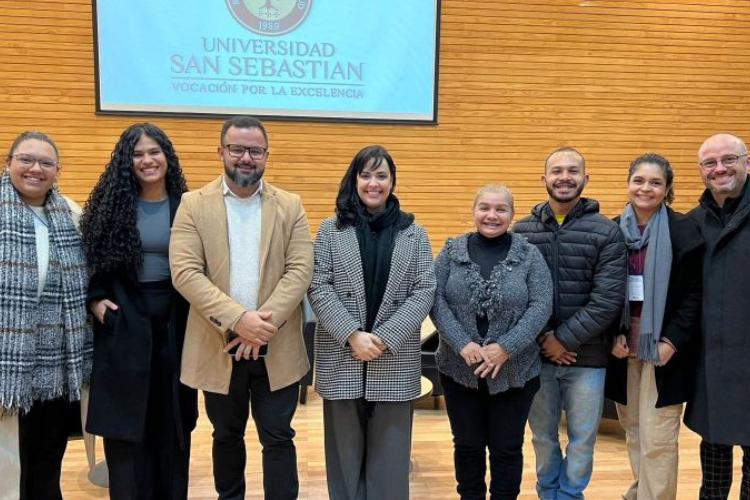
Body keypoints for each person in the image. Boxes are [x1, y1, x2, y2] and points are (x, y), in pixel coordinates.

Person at [170, 115, 313, 500]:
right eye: (237, 149)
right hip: (218, 344)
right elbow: (185, 272)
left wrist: (260, 327)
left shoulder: (290, 205)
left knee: (278, 436)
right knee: (226, 435)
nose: (246, 158)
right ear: (221, 151)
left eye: (255, 151)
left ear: (266, 155)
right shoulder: (192, 204)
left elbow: (301, 270)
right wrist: (239, 320)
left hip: (277, 344)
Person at [308, 145, 436, 500]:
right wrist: (352, 335)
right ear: (354, 180)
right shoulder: (330, 230)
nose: (373, 183)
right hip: (342, 355)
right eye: (365, 175)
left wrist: (382, 338)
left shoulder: (415, 233)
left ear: (392, 181)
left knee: (390, 463)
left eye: (381, 175)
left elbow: (424, 289)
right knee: (343, 462)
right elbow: (318, 285)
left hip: (392, 357)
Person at [80, 123, 198, 499]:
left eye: (154, 152)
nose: (147, 160)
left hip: (176, 326)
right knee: (127, 429)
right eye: (137, 154)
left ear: (168, 157)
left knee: (172, 425)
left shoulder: (188, 206)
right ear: (126, 161)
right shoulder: (111, 207)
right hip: (125, 324)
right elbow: (90, 264)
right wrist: (96, 302)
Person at [513, 146, 627, 500]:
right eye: (557, 171)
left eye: (573, 171)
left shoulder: (607, 232)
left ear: (585, 178)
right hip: (536, 359)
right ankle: (548, 493)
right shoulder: (521, 231)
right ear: (544, 178)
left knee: (582, 439)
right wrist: (544, 340)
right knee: (542, 437)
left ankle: (570, 495)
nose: (565, 177)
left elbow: (607, 299)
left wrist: (562, 340)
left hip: (587, 359)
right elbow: (515, 297)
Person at [430, 184, 552, 499]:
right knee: (467, 446)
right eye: (484, 208)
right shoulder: (451, 251)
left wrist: (506, 348)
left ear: (512, 214)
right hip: (459, 370)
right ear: (474, 211)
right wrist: (462, 344)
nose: (492, 215)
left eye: (501, 209)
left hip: (515, 372)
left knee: (506, 448)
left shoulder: (529, 254)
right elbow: (435, 299)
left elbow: (541, 305)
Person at [604, 153, 703, 500]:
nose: (646, 188)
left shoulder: (684, 231)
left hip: (664, 351)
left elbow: (694, 295)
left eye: (655, 182)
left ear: (667, 189)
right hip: (624, 350)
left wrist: (671, 342)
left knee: (658, 437)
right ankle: (641, 491)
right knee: (634, 430)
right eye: (639, 180)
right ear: (628, 184)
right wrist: (612, 335)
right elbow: (604, 291)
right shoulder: (612, 231)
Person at [0, 131, 92, 499]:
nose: (35, 168)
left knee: (47, 459)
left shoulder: (72, 215)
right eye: (26, 159)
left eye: (46, 162)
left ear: (57, 170)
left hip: (56, 367)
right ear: (8, 163)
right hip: (7, 366)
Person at [685, 133, 750, 499]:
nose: (720, 169)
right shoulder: (692, 223)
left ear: (747, 163)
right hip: (710, 360)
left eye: (729, 159)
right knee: (713, 459)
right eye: (710, 163)